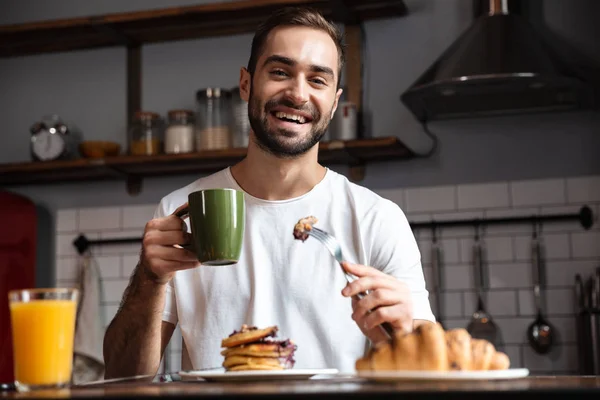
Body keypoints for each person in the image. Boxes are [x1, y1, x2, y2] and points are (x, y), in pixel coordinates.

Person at [103, 6, 434, 379]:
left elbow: (430, 371)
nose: (297, 93)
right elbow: (121, 376)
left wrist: (405, 333)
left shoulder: (376, 218)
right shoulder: (182, 210)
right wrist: (149, 280)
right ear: (246, 84)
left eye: (318, 80)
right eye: (280, 72)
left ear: (335, 101)